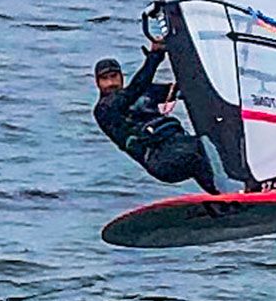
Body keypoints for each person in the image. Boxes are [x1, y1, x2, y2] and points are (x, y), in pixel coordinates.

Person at [92, 37, 219, 195]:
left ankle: (243, 190)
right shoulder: (104, 109)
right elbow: (135, 89)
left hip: (179, 142)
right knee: (196, 157)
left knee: (213, 144)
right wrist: (155, 56)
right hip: (159, 159)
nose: (111, 83)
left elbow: (184, 89)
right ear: (97, 83)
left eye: (114, 76)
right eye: (105, 79)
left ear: (121, 77)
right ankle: (224, 198)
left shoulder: (145, 93)